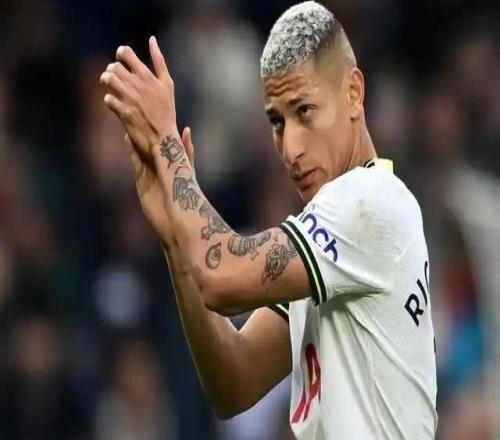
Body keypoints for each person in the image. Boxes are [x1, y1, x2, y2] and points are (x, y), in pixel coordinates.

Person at [100, 2, 438, 438]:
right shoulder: (334, 239)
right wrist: (175, 240)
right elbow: (234, 382)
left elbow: (220, 275)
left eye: (305, 111)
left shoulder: (368, 202)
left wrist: (168, 143)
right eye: (277, 122)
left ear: (353, 92)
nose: (291, 149)